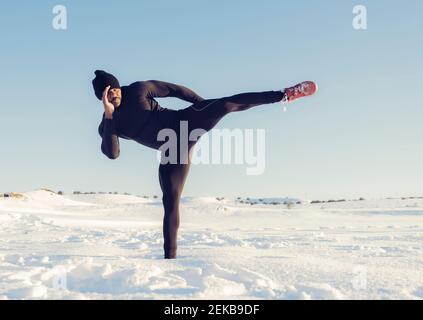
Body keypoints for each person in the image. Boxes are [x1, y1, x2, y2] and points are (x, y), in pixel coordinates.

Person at [92, 70, 317, 259]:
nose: (113, 96)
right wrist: (110, 116)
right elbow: (112, 154)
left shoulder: (138, 90)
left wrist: (205, 106)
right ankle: (170, 260)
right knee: (170, 200)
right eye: (107, 95)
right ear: (101, 99)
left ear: (119, 87)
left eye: (114, 90)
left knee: (227, 104)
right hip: (172, 150)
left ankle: (284, 95)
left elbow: (175, 90)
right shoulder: (108, 125)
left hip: (185, 122)